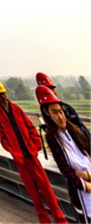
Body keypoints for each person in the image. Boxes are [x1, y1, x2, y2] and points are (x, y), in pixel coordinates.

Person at [0, 77, 67, 224]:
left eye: (3, 93)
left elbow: (31, 128)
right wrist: (12, 150)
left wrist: (35, 146)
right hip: (20, 159)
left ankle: (60, 220)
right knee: (33, 192)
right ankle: (44, 220)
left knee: (46, 189)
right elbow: (2, 134)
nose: (3, 96)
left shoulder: (17, 109)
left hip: (31, 156)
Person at [37, 85, 91, 223]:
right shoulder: (53, 138)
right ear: (46, 113)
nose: (60, 117)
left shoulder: (75, 130)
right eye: (55, 112)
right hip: (82, 191)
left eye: (61, 111)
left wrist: (87, 175)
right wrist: (86, 185)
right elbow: (66, 170)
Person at [36, 73, 90, 143]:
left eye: (60, 112)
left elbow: (80, 126)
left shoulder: (65, 107)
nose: (60, 117)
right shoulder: (52, 135)